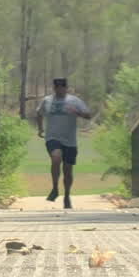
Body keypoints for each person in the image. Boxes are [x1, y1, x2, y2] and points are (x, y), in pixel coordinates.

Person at [36, 77, 93, 209]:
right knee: (56, 158)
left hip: (70, 140)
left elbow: (88, 115)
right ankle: (55, 188)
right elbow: (39, 113)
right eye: (57, 87)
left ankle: (67, 195)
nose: (59, 90)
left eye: (62, 87)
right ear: (54, 88)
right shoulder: (47, 100)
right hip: (52, 137)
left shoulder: (74, 101)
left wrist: (77, 112)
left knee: (68, 170)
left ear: (66, 88)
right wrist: (40, 128)